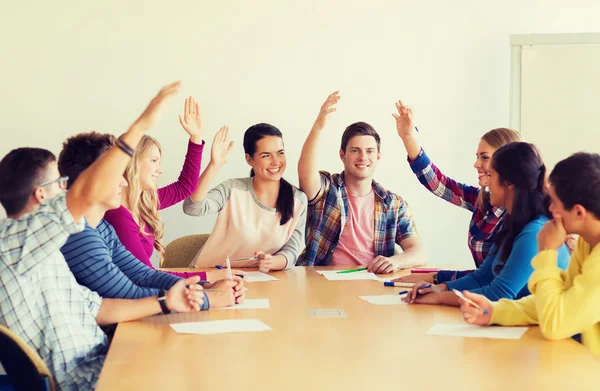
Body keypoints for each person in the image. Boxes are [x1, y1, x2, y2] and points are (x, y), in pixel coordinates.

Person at [0, 82, 205, 390]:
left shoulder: (45, 252)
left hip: (102, 359)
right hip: (85, 380)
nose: (66, 189)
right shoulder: (13, 243)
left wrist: (168, 301)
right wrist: (140, 127)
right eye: (60, 184)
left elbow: (98, 307)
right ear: (41, 196)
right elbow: (84, 191)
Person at [57, 131, 245, 307]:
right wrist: (208, 297)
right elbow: (128, 292)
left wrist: (204, 286)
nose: (123, 181)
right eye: (116, 173)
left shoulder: (104, 227)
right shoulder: (85, 233)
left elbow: (143, 275)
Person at [458, 152, 600, 357]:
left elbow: (555, 324)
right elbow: (555, 300)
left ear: (579, 213)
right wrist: (494, 312)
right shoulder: (588, 242)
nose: (549, 208)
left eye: (555, 204)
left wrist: (547, 253)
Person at [404, 142, 570, 306]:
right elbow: (482, 277)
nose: (486, 183)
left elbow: (499, 294)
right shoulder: (511, 223)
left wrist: (440, 297)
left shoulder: (534, 232)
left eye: (490, 175)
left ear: (509, 183)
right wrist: (440, 289)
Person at [392, 100, 522, 283]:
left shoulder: (523, 217)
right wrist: (408, 136)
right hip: (483, 297)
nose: (476, 164)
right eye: (477, 157)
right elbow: (438, 183)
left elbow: (493, 278)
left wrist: (436, 279)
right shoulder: (483, 201)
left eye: (484, 157)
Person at [104, 96, 236, 278]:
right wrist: (209, 277)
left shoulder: (145, 202)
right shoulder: (118, 213)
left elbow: (185, 187)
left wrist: (196, 139)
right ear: (133, 163)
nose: (160, 170)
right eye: (154, 161)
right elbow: (145, 276)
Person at [296, 92, 425, 273]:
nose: (363, 157)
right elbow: (305, 173)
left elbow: (418, 252)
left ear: (378, 156)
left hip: (371, 283)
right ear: (343, 155)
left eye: (370, 151)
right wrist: (318, 127)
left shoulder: (394, 204)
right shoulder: (327, 189)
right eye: (355, 150)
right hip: (322, 286)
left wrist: (396, 261)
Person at [183, 124, 307, 273]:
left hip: (258, 279)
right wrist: (214, 165)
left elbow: (292, 251)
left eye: (280, 153)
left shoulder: (298, 200)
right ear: (249, 159)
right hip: (210, 275)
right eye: (266, 155)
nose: (276, 162)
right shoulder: (233, 189)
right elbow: (193, 208)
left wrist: (271, 262)